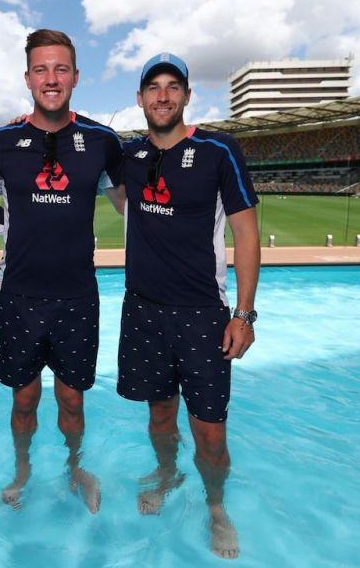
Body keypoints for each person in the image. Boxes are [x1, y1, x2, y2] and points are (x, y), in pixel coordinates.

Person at [115, 53, 260, 560]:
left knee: (210, 430)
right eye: (153, 87)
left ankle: (217, 507)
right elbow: (115, 193)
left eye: (172, 86)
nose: (162, 95)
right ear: (140, 98)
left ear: (186, 96)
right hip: (143, 310)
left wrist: (243, 313)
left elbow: (245, 231)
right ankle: (167, 473)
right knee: (159, 417)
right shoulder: (129, 156)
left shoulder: (219, 150)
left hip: (202, 313)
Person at [0, 29, 124, 513]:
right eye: (41, 69)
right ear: (27, 77)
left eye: (61, 68)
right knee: (23, 400)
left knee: (73, 401)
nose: (51, 78)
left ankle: (74, 467)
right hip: (17, 294)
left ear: (76, 76)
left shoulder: (103, 141)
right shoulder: (0, 142)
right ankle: (22, 471)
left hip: (77, 297)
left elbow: (135, 209)